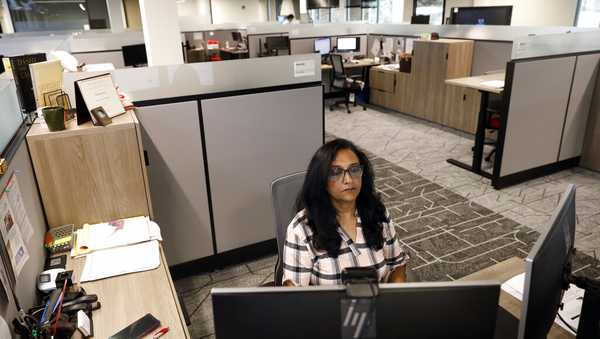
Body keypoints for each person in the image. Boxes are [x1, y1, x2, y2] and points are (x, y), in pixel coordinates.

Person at [282, 138, 409, 286]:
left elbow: (396, 265)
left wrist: (395, 299)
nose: (348, 179)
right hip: (327, 309)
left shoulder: (377, 212)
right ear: (321, 179)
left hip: (377, 305)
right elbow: (295, 297)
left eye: (354, 169)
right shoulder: (301, 229)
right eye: (336, 172)